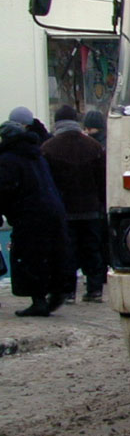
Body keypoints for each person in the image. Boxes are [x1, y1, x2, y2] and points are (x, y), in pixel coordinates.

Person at [0, 120, 73, 316]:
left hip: (29, 215)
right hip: (53, 210)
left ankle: (39, 300)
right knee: (54, 254)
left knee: (32, 257)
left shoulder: (8, 159)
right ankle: (58, 291)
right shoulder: (36, 155)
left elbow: (5, 189)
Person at [41, 106, 107, 303]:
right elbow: (102, 179)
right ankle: (95, 289)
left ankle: (68, 291)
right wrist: (101, 204)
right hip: (91, 208)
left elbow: (46, 183)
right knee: (92, 249)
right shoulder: (94, 146)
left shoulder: (48, 148)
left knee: (67, 251)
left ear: (57, 122)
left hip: (64, 209)